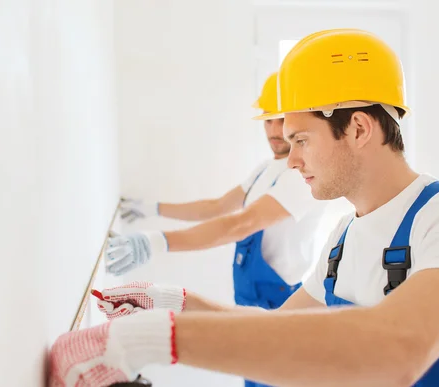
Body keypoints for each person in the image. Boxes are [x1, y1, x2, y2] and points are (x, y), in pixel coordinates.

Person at [48, 28, 439, 387]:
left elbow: (399, 348)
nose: (290, 159)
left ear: (357, 129)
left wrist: (152, 339)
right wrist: (180, 304)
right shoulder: (343, 239)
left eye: (301, 140)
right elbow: (278, 326)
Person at [105, 71, 327, 314]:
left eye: (281, 120)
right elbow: (216, 207)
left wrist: (154, 242)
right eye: (267, 120)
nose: (274, 131)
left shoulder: (300, 175)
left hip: (280, 299)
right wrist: (150, 208)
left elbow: (242, 224)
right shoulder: (265, 168)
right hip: (249, 290)